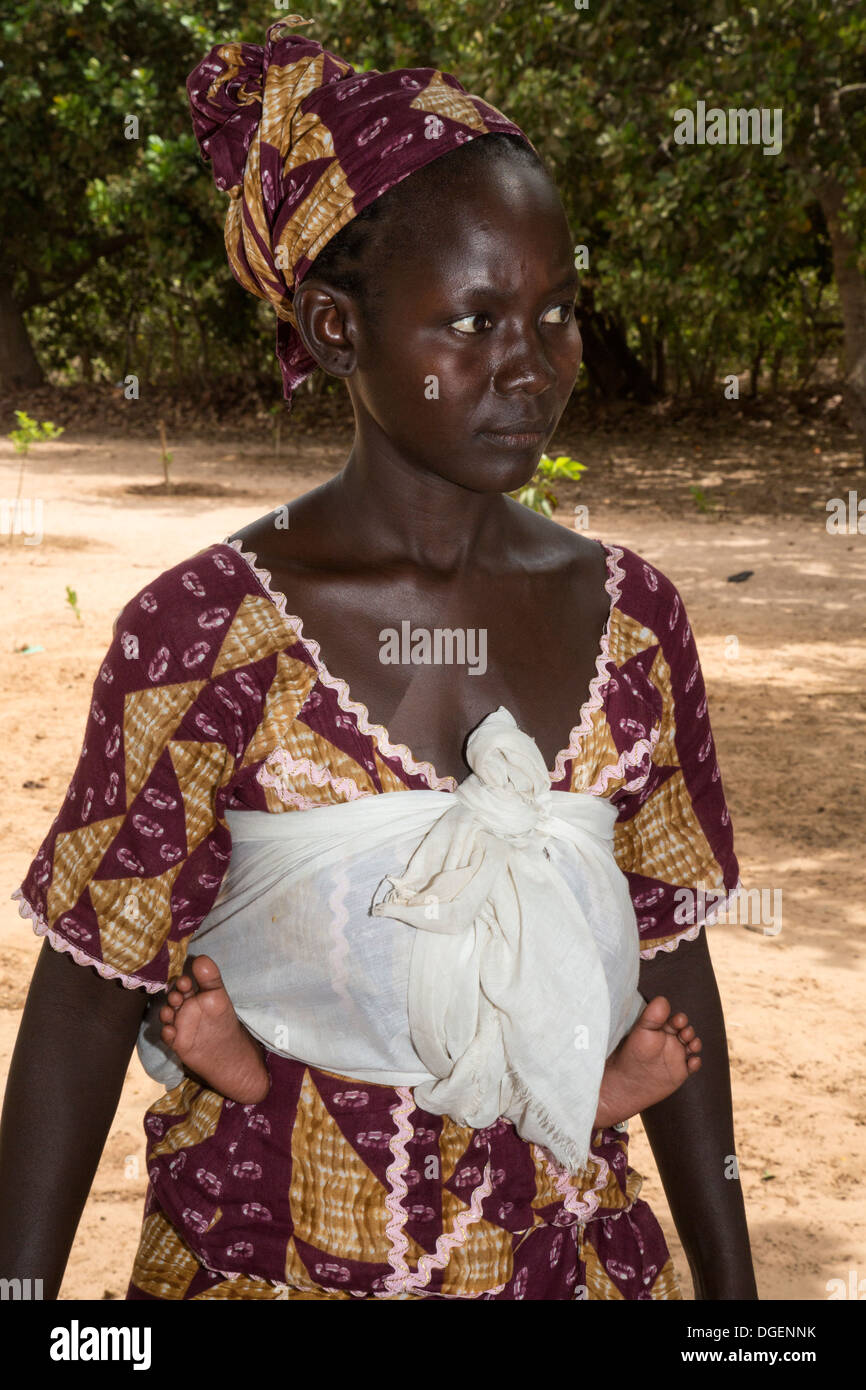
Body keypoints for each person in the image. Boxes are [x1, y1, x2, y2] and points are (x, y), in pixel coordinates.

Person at [0, 16, 757, 1300]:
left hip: (557, 1262)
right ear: (337, 330)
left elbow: (667, 948)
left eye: (557, 312)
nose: (533, 366)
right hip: (271, 1254)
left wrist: (735, 1311)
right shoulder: (205, 635)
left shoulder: (633, 621)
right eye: (473, 322)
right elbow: (84, 998)